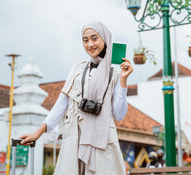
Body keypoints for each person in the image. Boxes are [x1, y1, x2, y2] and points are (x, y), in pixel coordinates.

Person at [19, 21, 133, 175]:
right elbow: (61, 104)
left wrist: (124, 80)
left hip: (102, 141)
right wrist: (38, 133)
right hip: (74, 138)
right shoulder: (77, 68)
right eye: (85, 40)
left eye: (94, 38)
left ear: (105, 40)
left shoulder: (117, 72)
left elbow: (119, 114)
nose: (90, 44)